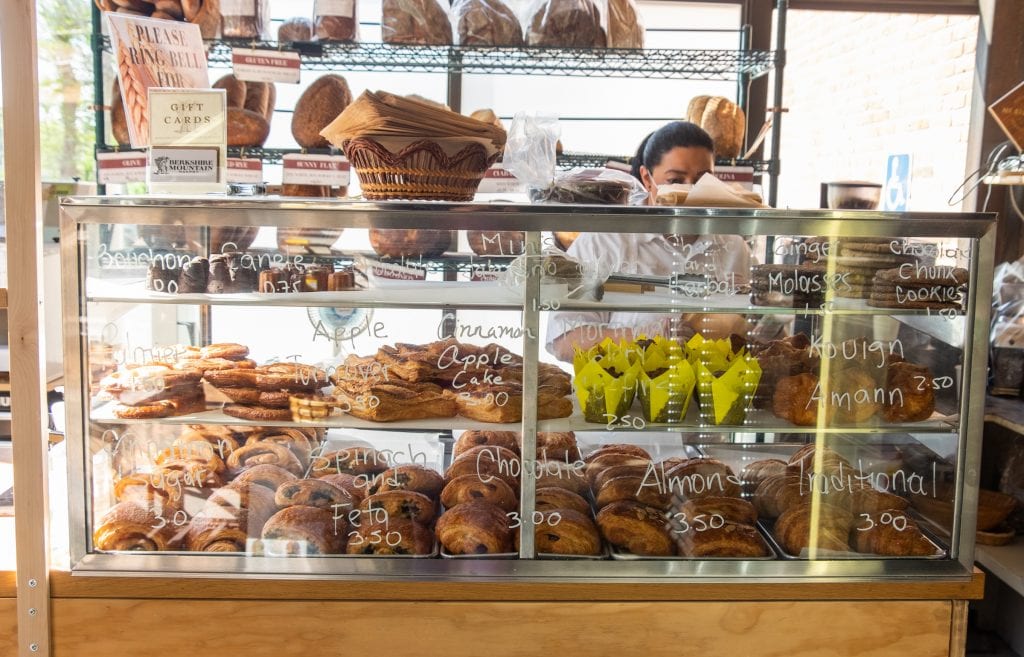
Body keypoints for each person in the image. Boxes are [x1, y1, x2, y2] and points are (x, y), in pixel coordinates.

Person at [545, 121, 754, 363]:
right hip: (620, 398)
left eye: (702, 180)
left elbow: (754, 329)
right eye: (675, 180)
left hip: (715, 397)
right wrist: (649, 336)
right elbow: (564, 341)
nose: (691, 192)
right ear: (646, 178)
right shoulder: (604, 242)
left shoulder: (733, 247)